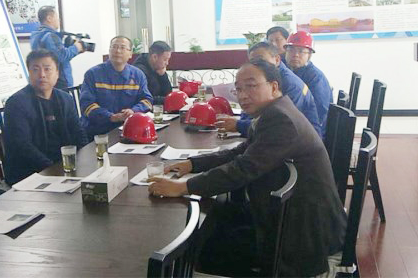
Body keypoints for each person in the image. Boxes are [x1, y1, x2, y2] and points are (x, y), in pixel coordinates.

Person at [148, 59, 346, 277]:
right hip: (289, 217)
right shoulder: (275, 111)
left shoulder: (281, 120)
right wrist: (192, 164)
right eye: (239, 89)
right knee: (213, 230)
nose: (242, 95)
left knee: (206, 246)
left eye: (251, 86)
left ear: (274, 87)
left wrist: (183, 187)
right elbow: (240, 153)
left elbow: (242, 169)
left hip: (305, 236)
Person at [3, 49, 87, 185]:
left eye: (47, 69)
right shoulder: (16, 103)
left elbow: (78, 132)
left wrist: (85, 158)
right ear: (29, 73)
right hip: (30, 174)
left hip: (65, 168)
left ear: (57, 73)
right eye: (35, 70)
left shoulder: (65, 99)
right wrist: (53, 169)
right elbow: (22, 145)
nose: (42, 75)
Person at [217, 42, 322, 137]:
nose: (257, 65)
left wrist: (239, 125)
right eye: (253, 62)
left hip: (296, 142)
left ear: (277, 60)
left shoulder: (290, 84)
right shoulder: (265, 78)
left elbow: (279, 123)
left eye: (260, 60)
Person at [80, 36, 153, 139]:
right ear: (109, 51)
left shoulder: (138, 75)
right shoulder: (93, 74)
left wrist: (133, 111)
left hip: (129, 128)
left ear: (130, 54)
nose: (117, 51)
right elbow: (86, 105)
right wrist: (111, 117)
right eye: (114, 47)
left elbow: (147, 101)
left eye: (122, 47)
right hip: (98, 130)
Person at [285, 31, 332, 137]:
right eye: (291, 49)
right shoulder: (289, 72)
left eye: (301, 51)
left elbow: (319, 114)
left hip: (311, 134)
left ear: (309, 55)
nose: (295, 55)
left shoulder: (316, 78)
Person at [30, 5, 84, 89]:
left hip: (44, 80)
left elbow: (52, 55)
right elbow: (62, 56)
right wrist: (77, 47)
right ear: (49, 18)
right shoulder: (50, 36)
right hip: (59, 82)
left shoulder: (36, 35)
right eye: (57, 17)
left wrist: (68, 47)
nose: (59, 20)